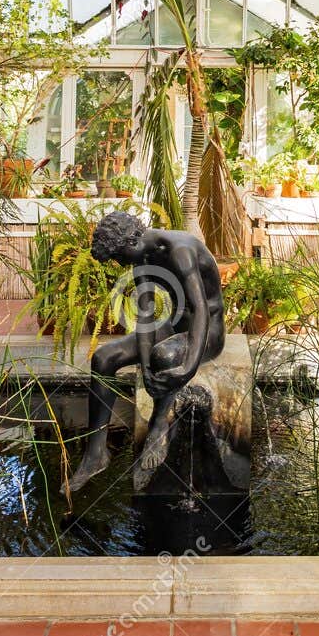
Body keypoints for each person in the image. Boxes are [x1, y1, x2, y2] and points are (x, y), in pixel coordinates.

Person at [65, 211, 226, 495]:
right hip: (175, 327)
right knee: (104, 358)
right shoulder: (143, 257)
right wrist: (147, 367)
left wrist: (187, 367)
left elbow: (200, 309)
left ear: (132, 239)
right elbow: (146, 316)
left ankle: (157, 424)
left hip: (208, 333)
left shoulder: (180, 251)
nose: (120, 263)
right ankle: (96, 453)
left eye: (119, 256)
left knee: (164, 355)